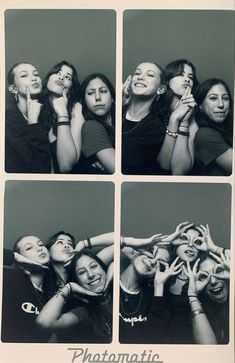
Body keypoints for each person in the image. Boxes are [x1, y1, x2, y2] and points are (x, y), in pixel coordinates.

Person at [36, 249, 113, 343]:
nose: (91, 275)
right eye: (82, 272)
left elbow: (123, 247)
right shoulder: (84, 313)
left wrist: (84, 243)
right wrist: (69, 287)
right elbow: (44, 322)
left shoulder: (122, 291)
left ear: (104, 269)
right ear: (78, 282)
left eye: (93, 266)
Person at [1, 235, 52, 342]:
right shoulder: (7, 278)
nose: (39, 248)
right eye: (29, 248)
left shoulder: (52, 296)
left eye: (41, 244)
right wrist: (14, 257)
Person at [5, 62, 51, 173]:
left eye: (36, 74)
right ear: (13, 88)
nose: (34, 78)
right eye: (24, 75)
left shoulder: (45, 114)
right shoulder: (7, 121)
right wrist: (33, 122)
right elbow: (39, 170)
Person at [122, 62, 166, 174]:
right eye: (137, 73)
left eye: (150, 75)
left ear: (161, 89)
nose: (140, 77)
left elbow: (124, 163)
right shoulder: (115, 110)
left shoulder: (156, 127)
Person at [41, 61, 86, 173]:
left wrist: (62, 114)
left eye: (67, 77)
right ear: (48, 79)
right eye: (57, 73)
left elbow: (66, 166)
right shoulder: (37, 109)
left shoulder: (76, 108)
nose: (61, 77)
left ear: (71, 88)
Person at [157, 59, 199, 175]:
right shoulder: (153, 110)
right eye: (181, 74)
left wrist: (184, 122)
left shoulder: (193, 118)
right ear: (167, 80)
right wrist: (174, 119)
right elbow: (163, 165)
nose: (187, 79)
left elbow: (179, 171)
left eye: (190, 77)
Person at [194, 78, 233, 175]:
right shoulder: (205, 135)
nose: (221, 104)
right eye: (213, 98)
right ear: (200, 105)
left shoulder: (226, 130)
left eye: (225, 98)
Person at [80, 73, 115, 173]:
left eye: (103, 91)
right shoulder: (90, 127)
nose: (97, 97)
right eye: (90, 93)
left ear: (112, 98)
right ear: (84, 101)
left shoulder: (124, 120)